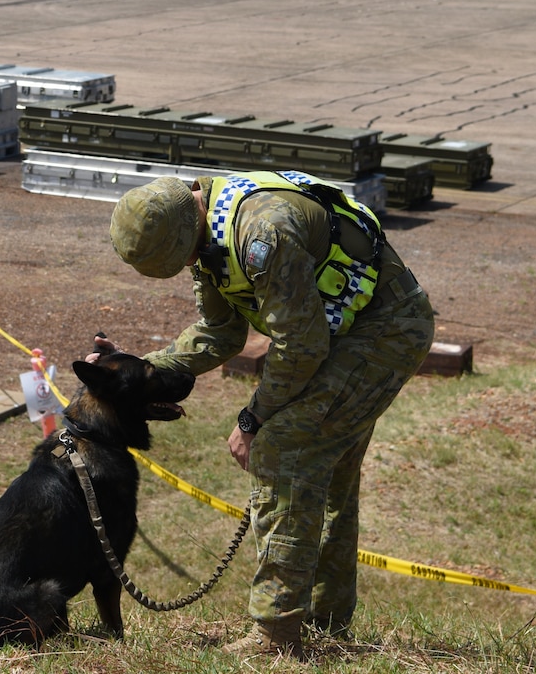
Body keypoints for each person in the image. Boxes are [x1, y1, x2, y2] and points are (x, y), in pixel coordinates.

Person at [105, 170, 433, 656]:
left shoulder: (263, 233)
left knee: (285, 450)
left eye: (186, 259)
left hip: (385, 330)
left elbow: (300, 346)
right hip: (340, 335)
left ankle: (276, 634)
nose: (192, 266)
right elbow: (221, 332)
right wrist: (134, 373)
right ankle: (325, 621)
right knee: (327, 467)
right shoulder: (203, 222)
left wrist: (251, 420)